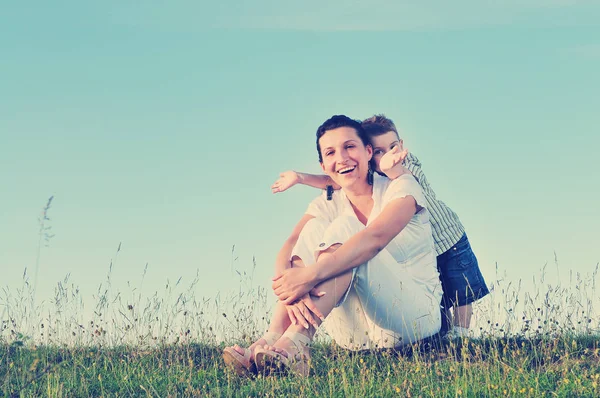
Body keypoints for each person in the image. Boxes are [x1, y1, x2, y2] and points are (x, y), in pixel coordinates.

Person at [223, 115, 442, 377]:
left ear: (368, 151)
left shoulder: (401, 186)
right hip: (355, 337)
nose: (342, 158)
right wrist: (289, 290)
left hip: (413, 319)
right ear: (324, 165)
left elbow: (375, 239)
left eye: (350, 147)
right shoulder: (328, 201)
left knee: (347, 231)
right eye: (330, 152)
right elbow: (291, 244)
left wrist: (308, 276)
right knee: (314, 229)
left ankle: (297, 343)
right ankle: (273, 337)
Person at [270, 114, 489, 337]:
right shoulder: (369, 174)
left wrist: (309, 277)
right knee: (439, 293)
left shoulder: (405, 166)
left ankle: (461, 333)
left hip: (448, 237)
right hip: (425, 245)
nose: (388, 154)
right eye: (379, 151)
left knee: (461, 289)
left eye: (393, 146)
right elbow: (333, 179)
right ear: (370, 153)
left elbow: (402, 180)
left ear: (401, 144)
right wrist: (299, 177)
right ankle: (274, 337)